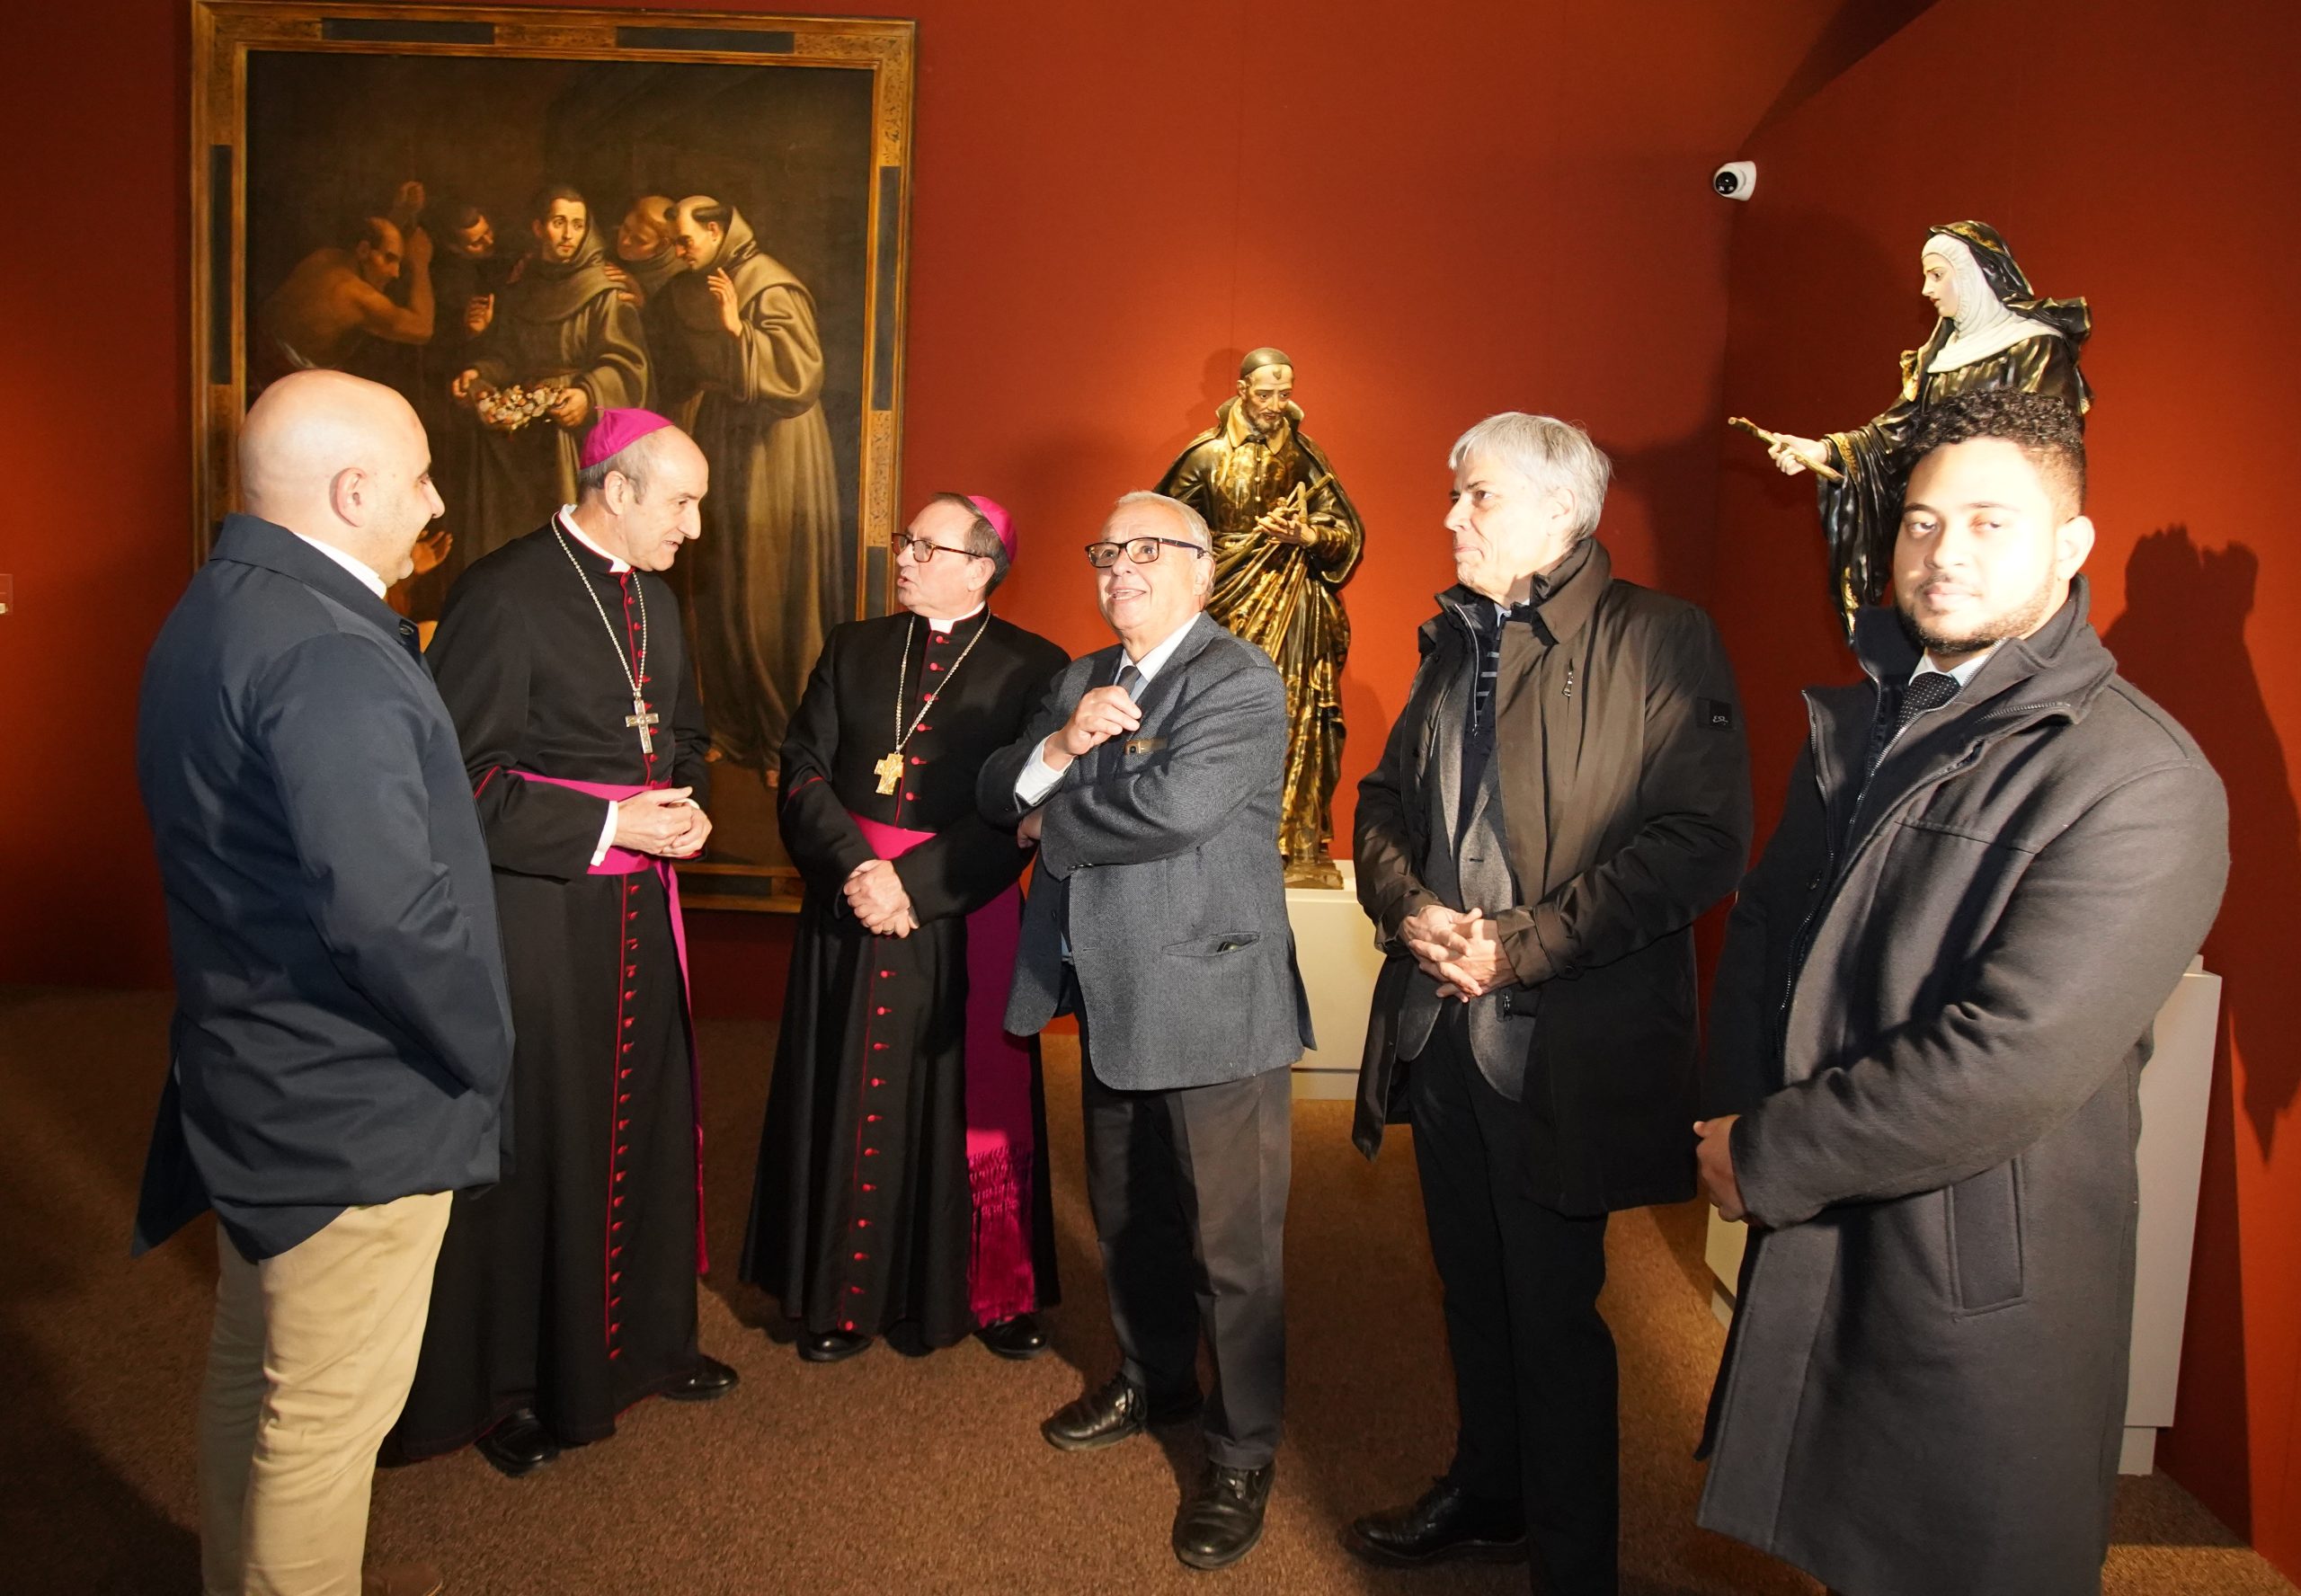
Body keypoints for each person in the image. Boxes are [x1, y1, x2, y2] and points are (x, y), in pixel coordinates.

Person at [1694, 390, 2228, 1596]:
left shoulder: (2142, 780)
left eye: (1992, 522)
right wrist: (1736, 1115)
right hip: (1834, 1225)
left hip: (1972, 1277)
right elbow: (1776, 930)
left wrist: (1767, 1150)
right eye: (1923, 524)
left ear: (2074, 544)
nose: (1944, 556)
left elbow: (2007, 1061)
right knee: (1839, 1550)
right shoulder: (1874, 716)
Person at [1348, 412, 1752, 1594]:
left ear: (1555, 512)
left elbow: (1698, 846)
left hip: (1556, 1038)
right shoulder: (1453, 640)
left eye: (1474, 496)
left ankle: (1577, 1568)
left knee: (1554, 1315)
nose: (1449, 517)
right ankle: (1492, 1494)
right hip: (1441, 1027)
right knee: (1472, 1287)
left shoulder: (1664, 639)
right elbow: (1380, 803)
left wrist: (1518, 951)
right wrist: (1411, 908)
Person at [134, 368, 514, 1596]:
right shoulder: (330, 650)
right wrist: (488, 1046)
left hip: (247, 1074)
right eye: (416, 477)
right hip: (350, 1103)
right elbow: (388, 913)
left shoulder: (216, 606)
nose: (433, 497)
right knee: (321, 1432)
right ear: (354, 492)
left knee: (256, 1379)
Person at [386, 408, 738, 1480]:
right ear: (617, 490)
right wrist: (605, 825)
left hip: (640, 912)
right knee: (545, 1139)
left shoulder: (660, 598)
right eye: (679, 503)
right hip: (537, 918)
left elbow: (679, 735)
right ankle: (517, 1384)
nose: (692, 526)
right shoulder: (502, 591)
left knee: (641, 1123)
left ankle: (639, 1345)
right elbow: (461, 783)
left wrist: (686, 805)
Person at [979, 491, 1312, 1572]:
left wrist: (1050, 814)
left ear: (1203, 571)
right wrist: (1057, 748)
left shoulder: (1240, 680)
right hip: (1109, 1000)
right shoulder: (1081, 677)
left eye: (1147, 550)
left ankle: (1242, 1448)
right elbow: (996, 786)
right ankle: (1154, 1376)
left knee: (1233, 1251)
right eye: (1106, 549)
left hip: (1212, 1003)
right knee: (1131, 1220)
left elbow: (1168, 809)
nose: (1119, 567)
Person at [742, 493, 1069, 1364]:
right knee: (842, 1095)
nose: (903, 558)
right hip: (850, 906)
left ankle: (989, 1293)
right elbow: (802, 766)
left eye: (924, 546)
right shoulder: (854, 648)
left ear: (978, 565)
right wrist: (855, 868)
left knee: (963, 1103)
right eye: (905, 542)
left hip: (958, 910)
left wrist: (913, 887)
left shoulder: (1035, 666)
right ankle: (838, 1295)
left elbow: (1026, 805)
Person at [1752, 220, 2091, 632]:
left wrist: (1982, 509)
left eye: (1937, 275)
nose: (1928, 290)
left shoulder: (2034, 347)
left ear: (1974, 276)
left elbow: (2044, 448)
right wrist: (1824, 451)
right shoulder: (1939, 356)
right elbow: (1895, 432)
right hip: (1934, 507)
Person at [1156, 346, 1365, 885]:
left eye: (1285, 394)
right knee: (1215, 714)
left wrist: (1309, 535)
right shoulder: (1205, 456)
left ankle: (1296, 843)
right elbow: (1161, 532)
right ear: (1243, 389)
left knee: (1295, 715)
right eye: (1266, 393)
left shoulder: (1303, 455)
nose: (1276, 404)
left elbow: (1345, 531)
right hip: (1224, 598)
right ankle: (1213, 834)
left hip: (1294, 600)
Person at [656, 194, 844, 778]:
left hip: (774, 456)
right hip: (729, 447)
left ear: (716, 230)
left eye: (687, 238)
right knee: (724, 591)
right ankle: (736, 733)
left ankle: (782, 743)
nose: (680, 250)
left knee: (764, 596)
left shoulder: (769, 285)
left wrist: (740, 332)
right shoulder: (711, 280)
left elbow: (799, 377)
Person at [452, 184, 649, 569]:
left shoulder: (603, 290)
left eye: (577, 224)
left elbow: (627, 364)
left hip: (572, 432)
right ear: (540, 228)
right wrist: (480, 373)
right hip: (521, 429)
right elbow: (507, 356)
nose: (568, 234)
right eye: (559, 223)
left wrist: (588, 394)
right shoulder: (521, 285)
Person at [256, 197, 435, 384]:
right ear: (364, 250)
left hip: (262, 351)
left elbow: (378, 242)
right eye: (390, 260)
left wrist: (401, 213)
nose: (395, 273)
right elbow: (422, 330)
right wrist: (420, 264)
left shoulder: (326, 257)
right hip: (284, 378)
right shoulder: (355, 294)